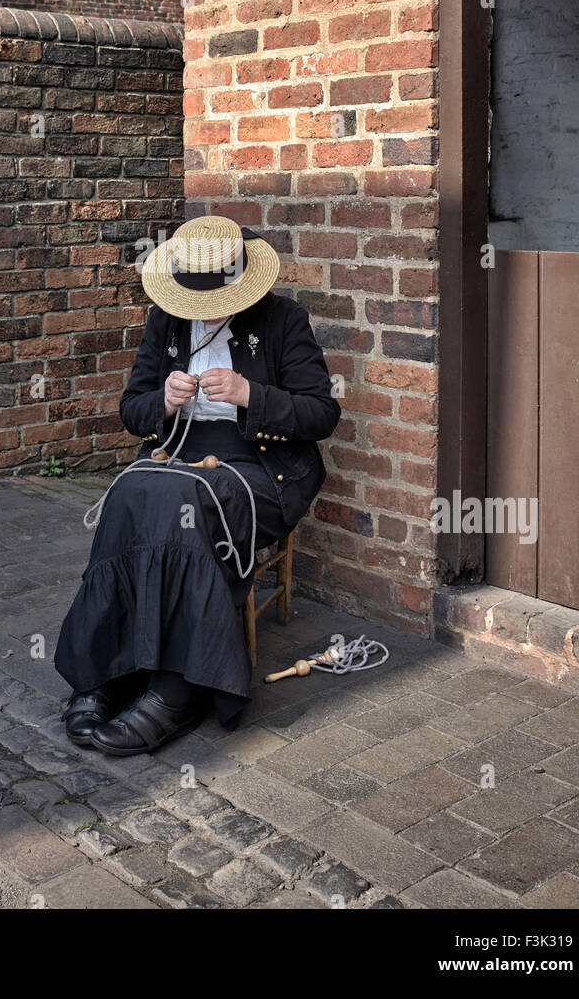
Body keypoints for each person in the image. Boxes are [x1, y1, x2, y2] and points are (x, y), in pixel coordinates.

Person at [54, 215, 341, 756]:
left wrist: (250, 394)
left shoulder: (283, 320)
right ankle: (105, 672)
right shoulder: (165, 320)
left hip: (260, 466)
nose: (201, 309)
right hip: (176, 454)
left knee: (182, 499)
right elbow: (132, 412)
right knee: (130, 493)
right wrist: (162, 400)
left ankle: (176, 690)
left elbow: (322, 415)